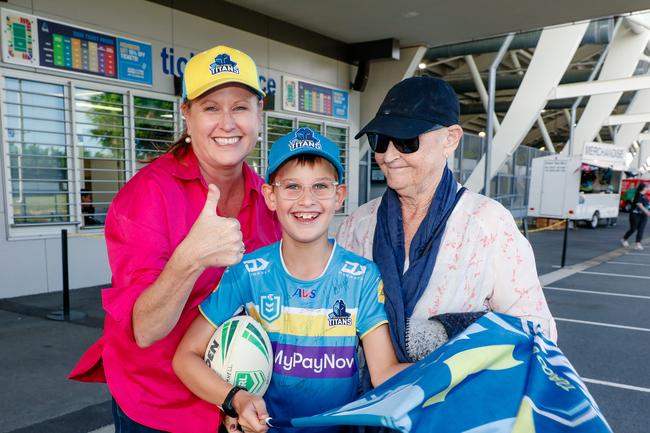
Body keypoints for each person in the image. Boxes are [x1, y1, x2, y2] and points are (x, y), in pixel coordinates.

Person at [69, 45, 281, 433]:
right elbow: (146, 329)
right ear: (187, 115)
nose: (227, 123)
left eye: (240, 107)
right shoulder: (147, 195)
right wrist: (191, 258)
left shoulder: (268, 198)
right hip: (158, 402)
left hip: (238, 398)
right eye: (211, 108)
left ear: (259, 114)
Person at [173, 128, 409, 433]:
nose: (306, 200)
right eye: (292, 187)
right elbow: (185, 357)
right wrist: (234, 399)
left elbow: (384, 373)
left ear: (339, 196)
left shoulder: (361, 277)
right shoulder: (246, 272)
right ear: (271, 196)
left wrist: (456, 371)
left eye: (321, 186)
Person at [336, 76, 557, 366]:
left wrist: (439, 334)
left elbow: (539, 332)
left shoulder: (488, 224)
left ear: (450, 139)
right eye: (379, 140)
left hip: (452, 405)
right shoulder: (358, 225)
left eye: (405, 140)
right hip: (367, 401)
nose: (387, 156)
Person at [621, 182, 650, 250]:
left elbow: (647, 205)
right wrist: (646, 211)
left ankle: (638, 243)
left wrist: (647, 211)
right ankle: (624, 239)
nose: (648, 188)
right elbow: (639, 204)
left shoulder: (644, 196)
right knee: (633, 229)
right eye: (647, 187)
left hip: (643, 215)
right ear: (643, 188)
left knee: (641, 229)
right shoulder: (638, 195)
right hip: (635, 215)